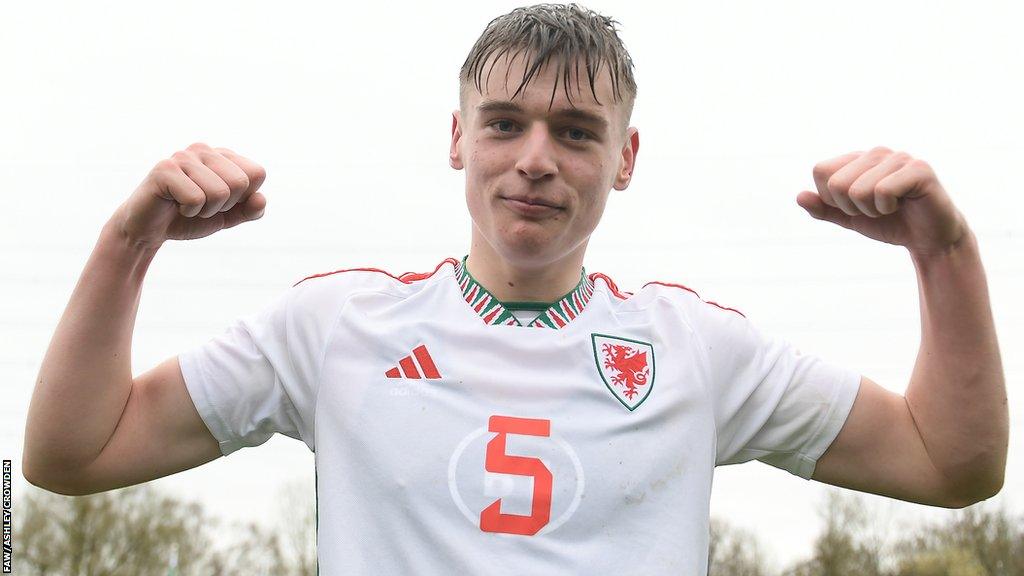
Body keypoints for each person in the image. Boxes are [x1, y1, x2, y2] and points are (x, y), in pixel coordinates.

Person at [23, 3, 1007, 574]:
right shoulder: (333, 327)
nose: (535, 158)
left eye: (574, 132)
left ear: (624, 158)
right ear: (458, 138)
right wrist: (128, 242)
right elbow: (74, 453)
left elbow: (949, 463)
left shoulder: (697, 350)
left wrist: (944, 256)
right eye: (504, 123)